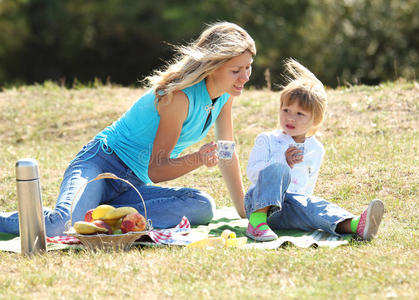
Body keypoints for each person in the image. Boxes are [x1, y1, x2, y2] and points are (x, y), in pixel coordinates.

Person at [0, 22, 255, 237]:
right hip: (100, 164)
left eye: (248, 67)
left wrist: (244, 211)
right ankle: (86, 213)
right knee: (59, 226)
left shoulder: (224, 95)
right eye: (236, 70)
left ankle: (103, 214)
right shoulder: (179, 97)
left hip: (131, 185)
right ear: (212, 66)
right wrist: (198, 158)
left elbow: (226, 152)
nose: (245, 77)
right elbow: (158, 169)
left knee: (202, 206)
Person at [244, 58, 384, 242]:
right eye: (286, 110)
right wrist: (282, 160)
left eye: (300, 114)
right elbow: (253, 174)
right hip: (258, 204)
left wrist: (305, 206)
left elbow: (308, 186)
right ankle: (257, 223)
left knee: (314, 204)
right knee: (278, 169)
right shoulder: (268, 140)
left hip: (290, 210)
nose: (291, 118)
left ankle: (355, 225)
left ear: (315, 120)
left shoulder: (315, 149)